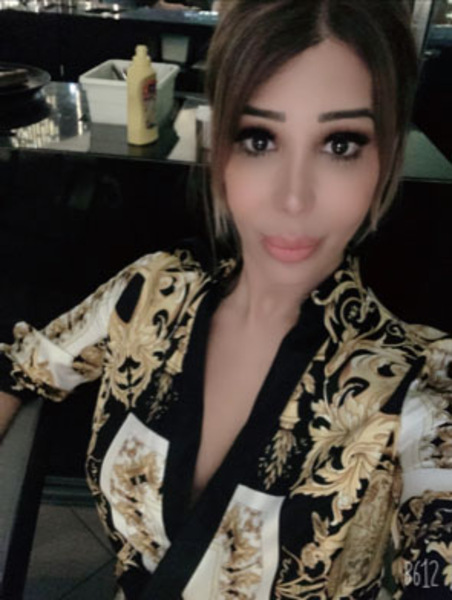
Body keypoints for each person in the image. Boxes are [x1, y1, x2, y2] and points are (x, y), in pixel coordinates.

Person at [1, 0, 452, 598]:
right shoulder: (152, 294)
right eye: (259, 138)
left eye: (340, 144)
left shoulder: (418, 385)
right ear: (218, 149)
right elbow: (25, 368)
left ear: (386, 159)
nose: (293, 198)